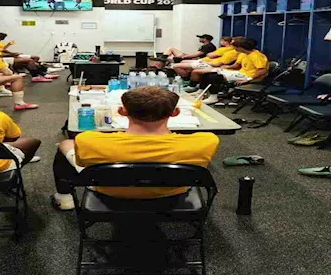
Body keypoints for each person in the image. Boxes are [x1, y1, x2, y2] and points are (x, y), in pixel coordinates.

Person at [51, 86, 220, 210]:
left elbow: (80, 161)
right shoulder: (206, 141)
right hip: (173, 194)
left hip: (109, 194)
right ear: (175, 113)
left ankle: (64, 198)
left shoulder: (88, 140)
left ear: (122, 111)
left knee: (66, 145)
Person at [192, 37, 269, 105]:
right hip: (242, 73)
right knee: (208, 73)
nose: (234, 48)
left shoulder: (256, 56)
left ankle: (213, 97)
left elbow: (263, 70)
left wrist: (248, 79)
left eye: (235, 46)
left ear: (240, 47)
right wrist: (226, 67)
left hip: (249, 76)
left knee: (215, 77)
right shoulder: (243, 54)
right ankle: (200, 92)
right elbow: (236, 65)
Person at [171, 36, 239, 79]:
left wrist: (184, 56)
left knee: (176, 65)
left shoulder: (226, 49)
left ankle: (186, 78)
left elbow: (209, 55)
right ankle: (188, 77)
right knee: (182, 62)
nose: (200, 39)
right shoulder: (224, 49)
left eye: (222, 40)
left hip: (208, 62)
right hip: (205, 60)